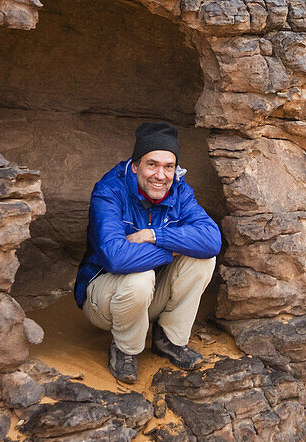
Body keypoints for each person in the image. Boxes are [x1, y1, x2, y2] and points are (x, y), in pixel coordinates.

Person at [74, 122, 222, 383]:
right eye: (152, 164)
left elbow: (211, 241)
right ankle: (125, 349)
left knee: (203, 259)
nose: (160, 175)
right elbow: (116, 258)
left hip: (149, 297)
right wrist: (170, 253)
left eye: (168, 167)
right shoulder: (109, 191)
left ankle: (169, 340)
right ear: (135, 166)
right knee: (139, 277)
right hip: (104, 300)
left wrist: (156, 236)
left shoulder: (180, 191)